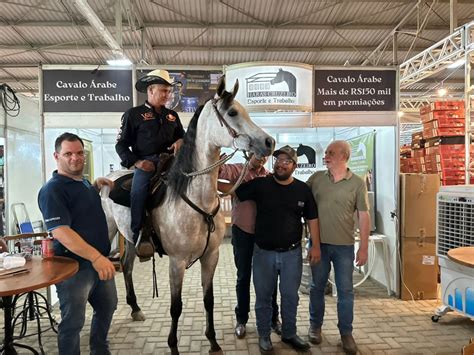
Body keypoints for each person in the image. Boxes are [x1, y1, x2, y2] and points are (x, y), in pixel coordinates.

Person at [38, 132, 117, 355]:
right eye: (68, 154)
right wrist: (96, 257)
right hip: (75, 269)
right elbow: (62, 231)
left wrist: (94, 186)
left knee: (107, 307)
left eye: (80, 152)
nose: (75, 158)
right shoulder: (52, 190)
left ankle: (99, 350)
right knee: (73, 323)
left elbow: (80, 210)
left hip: (98, 264)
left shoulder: (81, 182)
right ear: (56, 156)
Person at [235, 145, 320, 353]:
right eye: (278, 160)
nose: (281, 164)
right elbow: (235, 190)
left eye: (286, 161)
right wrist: (249, 165)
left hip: (292, 254)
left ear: (294, 166)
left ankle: (289, 333)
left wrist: (315, 245)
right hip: (263, 253)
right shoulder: (261, 184)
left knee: (290, 296)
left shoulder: (302, 190)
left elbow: (312, 218)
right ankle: (264, 335)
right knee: (263, 297)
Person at [306, 140, 370, 355]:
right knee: (316, 287)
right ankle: (315, 327)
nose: (326, 156)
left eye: (330, 153)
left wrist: (363, 247)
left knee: (345, 291)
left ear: (344, 156)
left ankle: (346, 333)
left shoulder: (357, 183)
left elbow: (363, 215)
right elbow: (297, 199)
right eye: (325, 153)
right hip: (318, 245)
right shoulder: (315, 179)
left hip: (344, 246)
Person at [115, 69, 185, 251]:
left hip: (172, 162)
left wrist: (180, 141)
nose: (168, 95)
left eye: (169, 91)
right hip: (146, 164)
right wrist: (137, 163)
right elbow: (121, 145)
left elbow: (183, 138)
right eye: (164, 91)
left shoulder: (173, 116)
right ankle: (140, 235)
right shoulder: (133, 114)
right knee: (138, 193)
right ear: (150, 90)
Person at [218, 154, 282, 339]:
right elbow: (218, 172)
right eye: (258, 154)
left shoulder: (269, 176)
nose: (261, 158)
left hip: (264, 233)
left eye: (264, 156)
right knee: (243, 277)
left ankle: (273, 318)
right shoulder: (237, 169)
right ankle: (241, 319)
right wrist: (218, 162)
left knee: (270, 279)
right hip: (242, 232)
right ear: (249, 152)